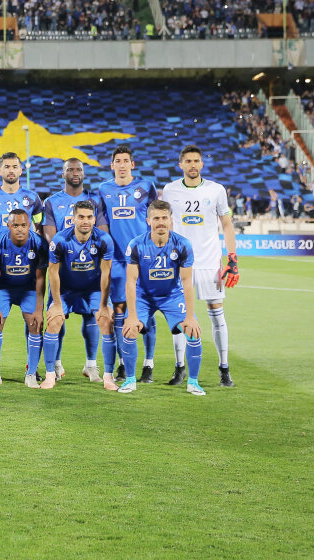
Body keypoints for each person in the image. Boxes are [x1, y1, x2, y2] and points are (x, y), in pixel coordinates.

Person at [160, 145, 239, 387]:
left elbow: (227, 224)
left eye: (196, 161)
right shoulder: (170, 190)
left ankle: (224, 368)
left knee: (216, 313)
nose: (192, 165)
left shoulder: (216, 190)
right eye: (188, 161)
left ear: (202, 164)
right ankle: (179, 367)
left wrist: (232, 257)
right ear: (180, 165)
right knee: (180, 316)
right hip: (180, 263)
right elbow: (167, 224)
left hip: (209, 262)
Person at [119, 201, 206, 395]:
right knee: (130, 330)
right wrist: (132, 316)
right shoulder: (136, 244)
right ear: (148, 220)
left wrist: (190, 317)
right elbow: (131, 281)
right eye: (156, 218)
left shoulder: (182, 244)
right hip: (143, 296)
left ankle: (193, 382)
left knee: (193, 332)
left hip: (171, 296)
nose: (160, 222)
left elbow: (187, 282)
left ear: (170, 220)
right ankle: (130, 380)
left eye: (164, 218)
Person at [97, 145, 160, 382]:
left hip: (143, 259)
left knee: (146, 310)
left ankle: (148, 364)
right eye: (118, 161)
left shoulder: (146, 187)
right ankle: (123, 363)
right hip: (117, 260)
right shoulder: (104, 189)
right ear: (112, 165)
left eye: (126, 161)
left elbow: (156, 218)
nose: (122, 165)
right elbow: (102, 222)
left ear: (132, 165)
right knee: (120, 310)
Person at [47, 201, 115, 389]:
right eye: (81, 217)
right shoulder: (60, 240)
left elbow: (106, 273)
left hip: (93, 289)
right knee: (54, 320)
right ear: (73, 218)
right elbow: (52, 272)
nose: (85, 221)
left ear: (94, 219)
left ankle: (105, 375)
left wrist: (104, 305)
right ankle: (51, 373)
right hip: (65, 289)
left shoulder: (104, 239)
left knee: (106, 321)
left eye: (89, 217)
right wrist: (57, 304)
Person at [0, 210, 48, 388]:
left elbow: (41, 278)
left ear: (29, 226)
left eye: (23, 225)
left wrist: (39, 310)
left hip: (29, 289)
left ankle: (31, 374)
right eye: (15, 225)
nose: (19, 229)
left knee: (35, 325)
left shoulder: (39, 243)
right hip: (4, 288)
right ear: (8, 226)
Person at [0, 151, 43, 240]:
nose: (11, 170)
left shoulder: (33, 197)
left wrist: (34, 243)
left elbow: (40, 226)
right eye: (7, 167)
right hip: (0, 248)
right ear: (0, 171)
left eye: (15, 167)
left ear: (20, 171)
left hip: (26, 248)